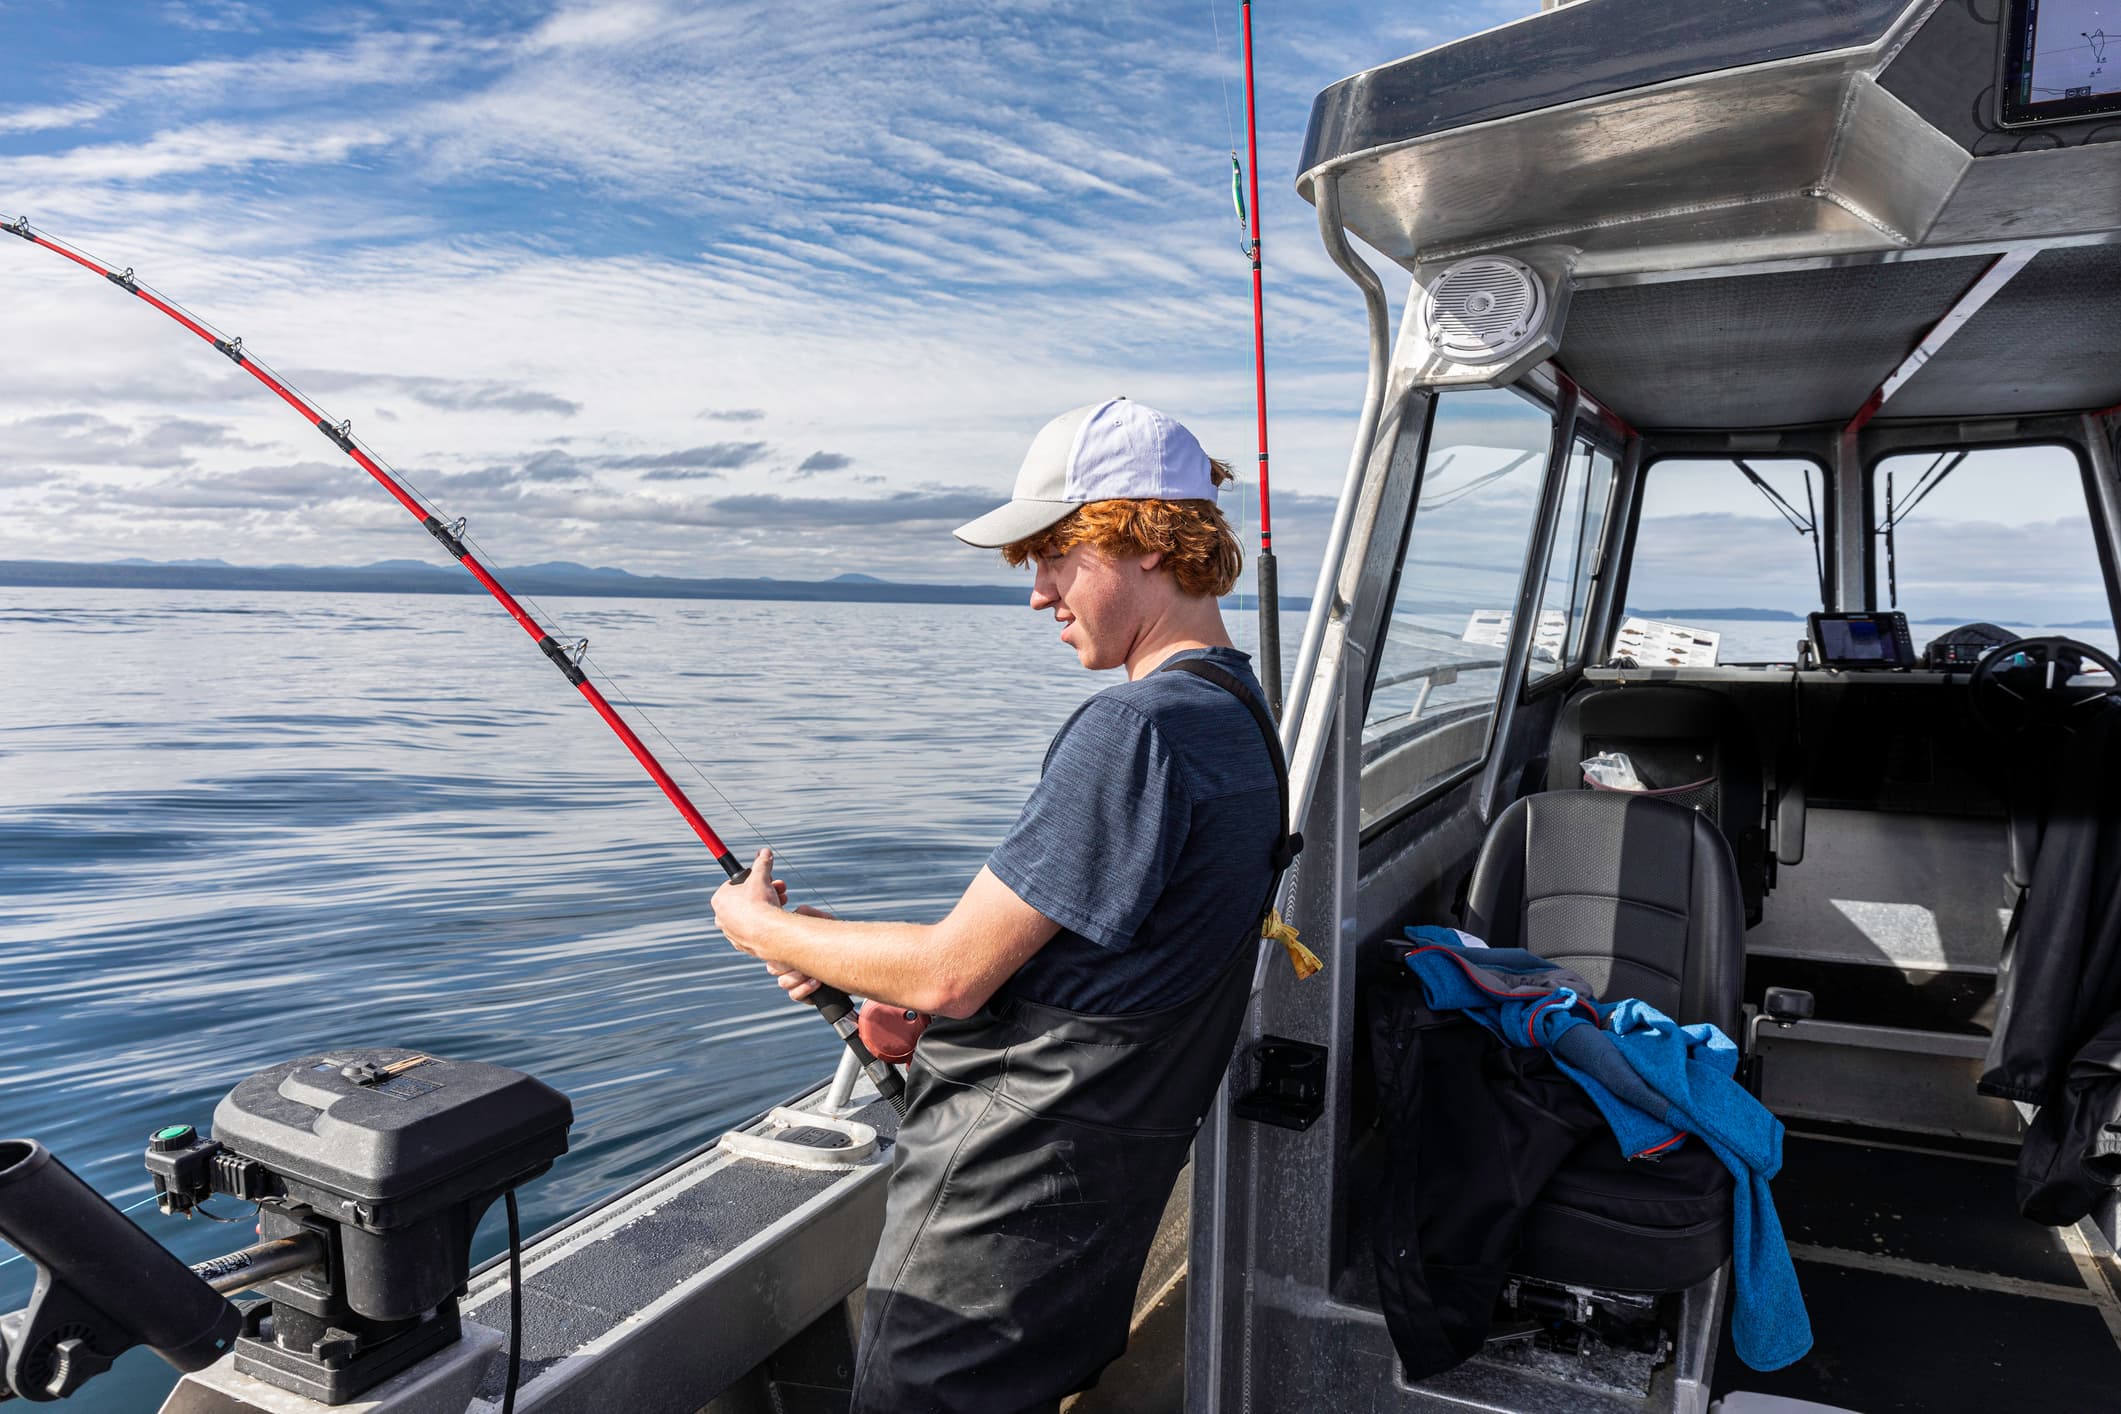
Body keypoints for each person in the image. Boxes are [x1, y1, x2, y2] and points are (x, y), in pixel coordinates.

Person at [712, 397, 1294, 1413]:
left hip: (996, 1224)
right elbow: (1101, 960)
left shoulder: (1137, 731)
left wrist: (756, 924)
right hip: (1090, 1216)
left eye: (1054, 556)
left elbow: (954, 964)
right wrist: (917, 1008)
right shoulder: (1241, 720)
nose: (1038, 596)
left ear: (1144, 539)